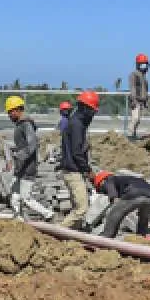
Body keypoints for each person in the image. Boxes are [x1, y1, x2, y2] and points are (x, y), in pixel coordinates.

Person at [59, 91, 99, 229]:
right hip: (73, 171)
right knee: (82, 209)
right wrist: (88, 170)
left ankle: (72, 235)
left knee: (76, 207)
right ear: (85, 108)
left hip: (71, 170)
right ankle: (57, 232)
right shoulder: (76, 125)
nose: (93, 115)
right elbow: (77, 152)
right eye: (92, 111)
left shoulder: (76, 122)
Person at [93, 171, 150, 238]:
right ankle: (141, 236)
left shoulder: (108, 179)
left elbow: (112, 193)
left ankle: (106, 237)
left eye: (100, 190)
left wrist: (112, 202)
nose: (103, 193)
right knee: (143, 218)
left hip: (134, 193)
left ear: (101, 182)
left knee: (113, 213)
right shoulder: (127, 179)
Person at [4, 96, 38, 199]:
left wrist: (17, 156)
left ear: (18, 110)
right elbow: (23, 145)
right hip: (20, 168)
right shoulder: (20, 125)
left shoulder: (26, 125)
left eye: (11, 111)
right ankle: (17, 215)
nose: (9, 115)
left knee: (26, 198)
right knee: (14, 196)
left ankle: (48, 215)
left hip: (27, 168)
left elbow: (32, 145)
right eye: (8, 112)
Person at [129, 54, 150, 139]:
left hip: (141, 101)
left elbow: (145, 91)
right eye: (141, 65)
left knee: (138, 120)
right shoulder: (134, 75)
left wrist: (146, 101)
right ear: (138, 65)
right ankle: (130, 135)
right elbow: (133, 87)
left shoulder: (144, 77)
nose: (143, 67)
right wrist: (134, 100)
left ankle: (133, 134)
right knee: (135, 118)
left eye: (144, 65)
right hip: (136, 100)